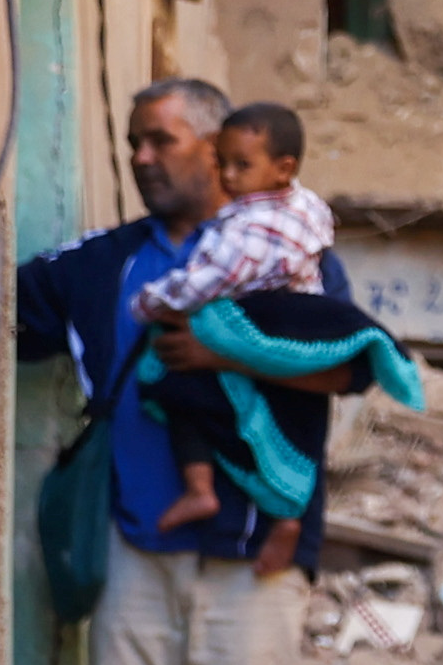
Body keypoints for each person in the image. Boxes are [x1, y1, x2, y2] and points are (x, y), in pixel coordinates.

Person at [11, 77, 369, 665]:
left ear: (216, 152)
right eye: (132, 141)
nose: (141, 158)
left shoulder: (282, 247)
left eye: (161, 141)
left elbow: (349, 365)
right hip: (135, 540)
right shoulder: (102, 264)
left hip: (255, 552)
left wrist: (220, 353)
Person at [134, 102, 352, 561]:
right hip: (292, 336)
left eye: (242, 166)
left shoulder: (251, 225)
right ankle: (282, 517)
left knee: (177, 388)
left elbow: (214, 279)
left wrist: (156, 303)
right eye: (223, 164)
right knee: (284, 432)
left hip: (263, 335)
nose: (228, 177)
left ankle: (209, 491)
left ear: (282, 168)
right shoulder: (304, 208)